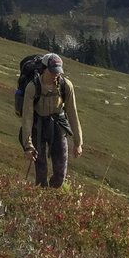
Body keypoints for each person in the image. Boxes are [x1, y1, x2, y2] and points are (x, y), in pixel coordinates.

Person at [20, 53, 83, 188]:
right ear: (44, 69)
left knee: (60, 173)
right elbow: (27, 118)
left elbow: (72, 113)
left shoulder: (66, 85)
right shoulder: (32, 87)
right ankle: (41, 194)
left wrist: (78, 143)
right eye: (53, 71)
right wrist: (28, 145)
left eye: (58, 72)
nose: (56, 74)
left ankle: (51, 193)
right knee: (41, 170)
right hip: (38, 128)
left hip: (58, 126)